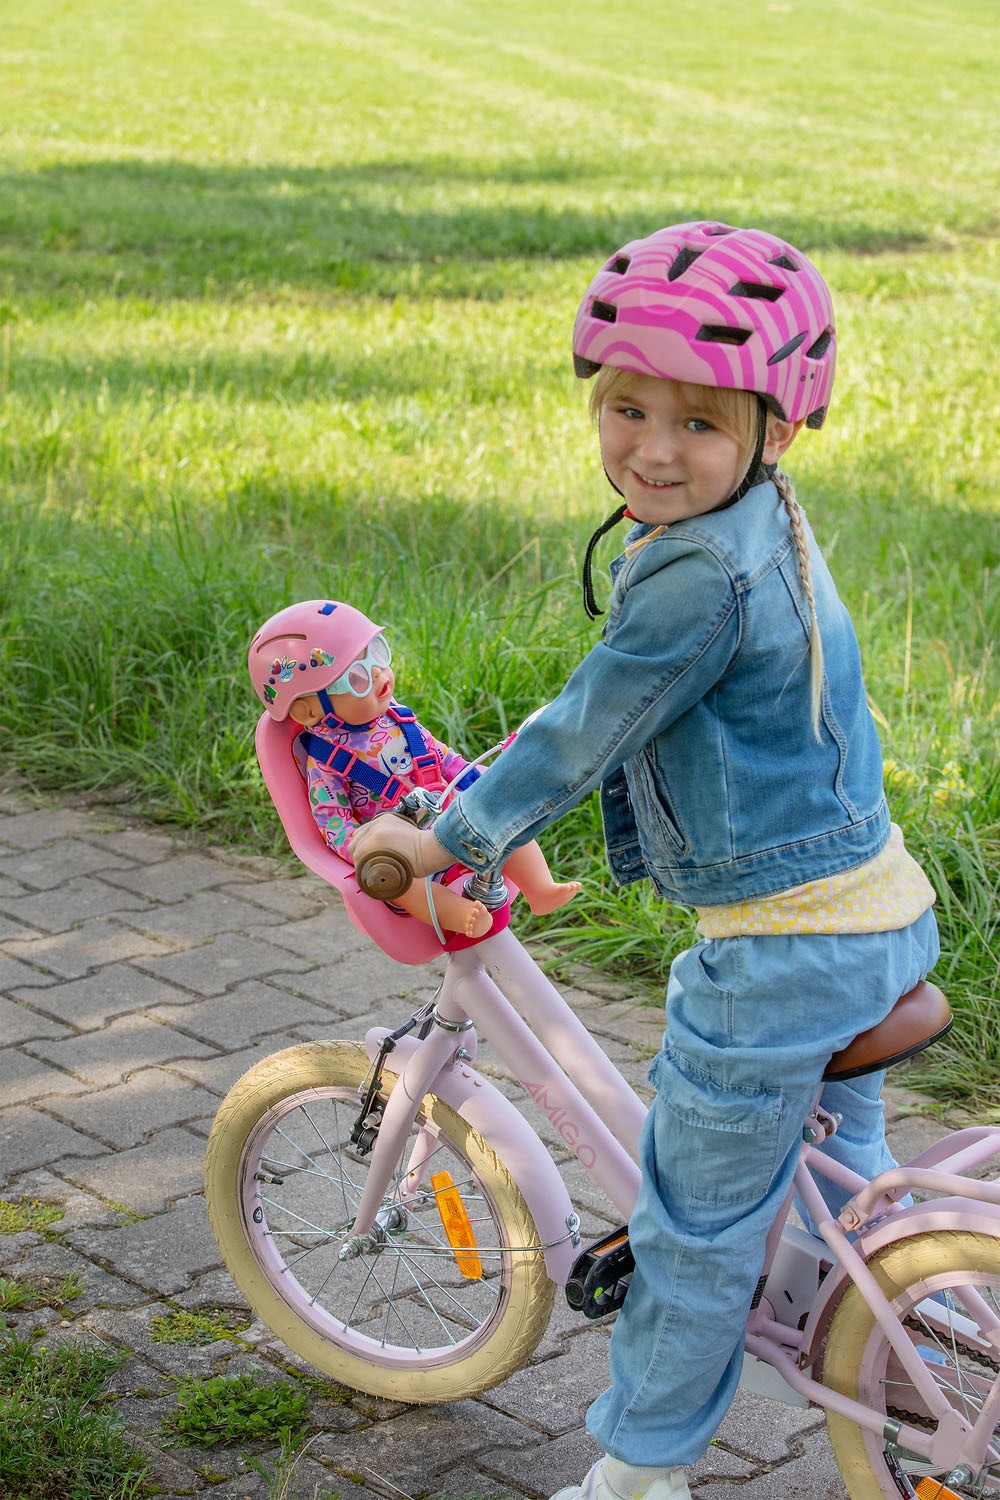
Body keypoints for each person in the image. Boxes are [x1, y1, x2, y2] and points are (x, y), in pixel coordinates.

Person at [349, 221, 940, 1500]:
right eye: (627, 409)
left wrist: (445, 837)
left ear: (776, 432)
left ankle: (640, 1473)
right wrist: (516, 782)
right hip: (876, 909)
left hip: (784, 953)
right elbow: (623, 705)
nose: (654, 450)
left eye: (698, 423)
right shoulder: (763, 520)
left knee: (694, 1227)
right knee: (841, 1180)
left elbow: (588, 725)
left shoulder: (694, 574)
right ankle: (894, 1315)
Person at [248, 599, 579, 940]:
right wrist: (365, 849)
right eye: (357, 678)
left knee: (500, 814)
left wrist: (479, 781)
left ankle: (540, 888)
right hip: (402, 849)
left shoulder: (398, 718)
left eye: (377, 655)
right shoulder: (326, 761)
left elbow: (441, 757)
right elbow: (333, 821)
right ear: (307, 712)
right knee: (401, 883)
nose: (380, 675)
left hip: (449, 819)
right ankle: (456, 913)